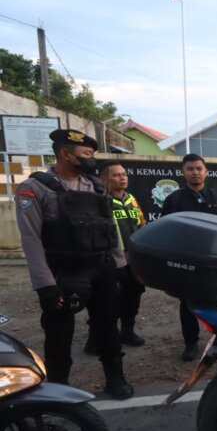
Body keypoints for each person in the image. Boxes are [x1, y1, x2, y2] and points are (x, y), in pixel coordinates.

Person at [14, 129, 133, 398]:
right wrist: (45, 285)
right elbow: (31, 240)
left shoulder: (96, 186)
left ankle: (115, 378)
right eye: (86, 154)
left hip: (100, 268)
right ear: (66, 154)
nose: (92, 159)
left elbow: (108, 228)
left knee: (107, 326)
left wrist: (119, 265)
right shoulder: (35, 188)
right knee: (59, 334)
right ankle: (57, 388)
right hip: (63, 272)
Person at [161, 153, 217, 361]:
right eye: (190, 169)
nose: (195, 172)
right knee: (188, 305)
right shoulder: (174, 200)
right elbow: (167, 231)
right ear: (183, 172)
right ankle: (191, 344)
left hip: (212, 262)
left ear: (206, 172)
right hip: (186, 262)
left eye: (199, 168)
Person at [101, 161, 147, 347]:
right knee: (108, 299)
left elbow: (141, 223)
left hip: (133, 260)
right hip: (111, 261)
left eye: (124, 174)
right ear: (104, 179)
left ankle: (128, 331)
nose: (122, 178)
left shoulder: (131, 199)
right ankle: (100, 336)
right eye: (117, 175)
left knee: (133, 295)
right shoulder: (101, 202)